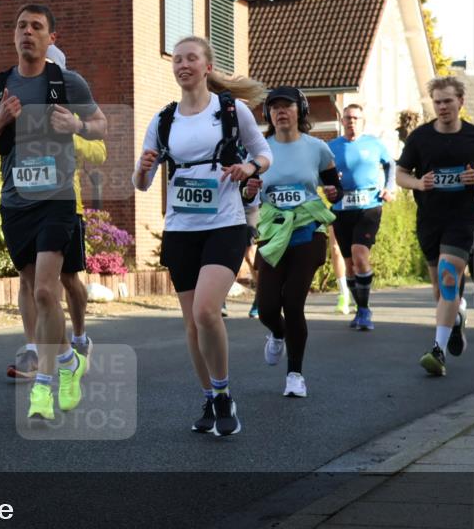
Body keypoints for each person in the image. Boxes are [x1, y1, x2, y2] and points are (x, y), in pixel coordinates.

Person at [0, 4, 107, 419]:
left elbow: (101, 126)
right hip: (16, 204)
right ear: (14, 36)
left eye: (37, 27)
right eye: (21, 26)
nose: (27, 32)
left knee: (48, 289)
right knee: (33, 287)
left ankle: (44, 389)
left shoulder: (68, 83)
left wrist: (77, 127)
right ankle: (68, 359)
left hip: (58, 201)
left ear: (51, 37)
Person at [134, 36, 271, 435]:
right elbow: (141, 184)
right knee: (192, 325)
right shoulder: (163, 120)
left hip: (225, 224)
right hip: (181, 229)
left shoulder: (231, 109)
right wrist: (144, 167)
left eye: (191, 58)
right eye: (177, 59)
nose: (183, 65)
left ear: (207, 67)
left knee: (206, 311)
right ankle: (210, 398)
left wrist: (250, 169)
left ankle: (225, 392)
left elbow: (263, 152)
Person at [6, 44, 103, 381]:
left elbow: (100, 151)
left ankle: (78, 336)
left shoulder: (73, 104)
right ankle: (35, 350)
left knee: (68, 280)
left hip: (64, 205)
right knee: (31, 282)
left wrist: (71, 133)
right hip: (26, 204)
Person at [396, 76, 474, 376]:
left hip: (463, 218)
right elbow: (400, 174)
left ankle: (438, 352)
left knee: (447, 275)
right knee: (441, 291)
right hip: (430, 219)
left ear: (460, 102)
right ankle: (455, 319)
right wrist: (419, 182)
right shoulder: (420, 138)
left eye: (448, 101)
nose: (442, 107)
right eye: (437, 102)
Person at [244, 86, 340, 398]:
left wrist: (334, 192)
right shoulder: (260, 152)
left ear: (300, 111)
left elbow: (332, 181)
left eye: (287, 107)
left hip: (308, 231)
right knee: (269, 308)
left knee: (294, 302)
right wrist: (248, 192)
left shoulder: (317, 148)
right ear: (267, 115)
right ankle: (278, 333)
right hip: (273, 232)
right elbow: (248, 192)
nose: (281, 112)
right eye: (274, 108)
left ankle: (295, 374)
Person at [328, 104, 395, 330]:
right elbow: (320, 173)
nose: (351, 122)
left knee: (359, 254)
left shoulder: (374, 144)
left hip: (370, 205)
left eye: (356, 118)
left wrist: (389, 187)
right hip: (341, 207)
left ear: (362, 121)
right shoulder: (332, 147)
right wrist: (328, 182)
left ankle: (365, 310)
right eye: (348, 118)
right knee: (349, 264)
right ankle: (359, 309)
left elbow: (390, 165)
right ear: (342, 121)